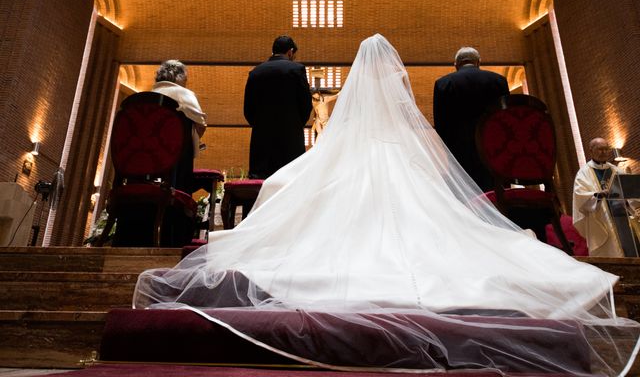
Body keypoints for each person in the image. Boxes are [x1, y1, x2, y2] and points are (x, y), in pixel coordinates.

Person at [134, 35, 639, 376]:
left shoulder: (342, 122)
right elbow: (425, 130)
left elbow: (296, 124)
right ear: (394, 78)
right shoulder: (406, 117)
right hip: (411, 156)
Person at [433, 47, 510, 191]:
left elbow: (440, 124)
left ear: (456, 64)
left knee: (466, 194)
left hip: (460, 151)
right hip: (493, 150)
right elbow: (506, 118)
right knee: (495, 194)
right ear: (478, 62)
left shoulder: (443, 84)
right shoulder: (499, 81)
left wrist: (450, 149)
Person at [243, 36, 312, 179]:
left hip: (262, 140)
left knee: (261, 181)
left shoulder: (256, 72)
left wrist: (260, 125)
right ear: (290, 52)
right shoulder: (297, 69)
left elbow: (248, 109)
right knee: (290, 182)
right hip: (290, 140)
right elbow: (306, 104)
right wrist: (296, 123)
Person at [151, 60, 207, 191]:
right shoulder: (184, 94)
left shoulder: (146, 95)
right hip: (176, 164)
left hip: (147, 160)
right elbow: (201, 124)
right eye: (186, 80)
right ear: (180, 76)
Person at [573, 137, 630, 257]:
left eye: (606, 149)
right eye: (600, 149)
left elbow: (629, 191)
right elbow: (580, 197)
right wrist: (598, 195)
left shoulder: (616, 170)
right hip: (600, 219)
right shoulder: (583, 173)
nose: (604, 152)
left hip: (621, 217)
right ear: (591, 151)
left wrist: (627, 201)